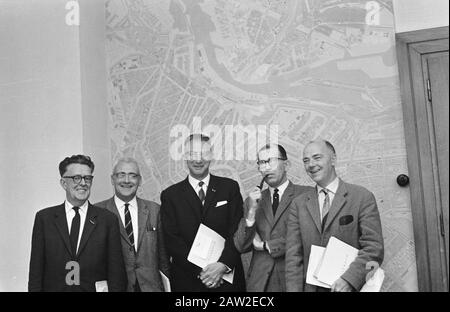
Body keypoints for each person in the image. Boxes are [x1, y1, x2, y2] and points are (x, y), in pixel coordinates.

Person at [285, 140, 384, 292]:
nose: (311, 164)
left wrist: (350, 280)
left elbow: (373, 248)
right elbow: (293, 257)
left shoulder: (362, 197)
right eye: (306, 160)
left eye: (317, 158)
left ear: (333, 159)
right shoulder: (298, 204)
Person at [28, 155, 127, 291]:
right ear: (63, 183)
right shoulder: (44, 219)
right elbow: (36, 273)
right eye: (76, 178)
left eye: (87, 178)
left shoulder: (107, 220)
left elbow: (116, 273)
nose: (83, 183)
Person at [160, 134, 245, 291]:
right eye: (192, 154)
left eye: (204, 153)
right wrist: (206, 274)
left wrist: (222, 266)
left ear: (211, 155)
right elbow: (172, 240)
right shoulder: (170, 195)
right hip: (188, 281)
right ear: (185, 156)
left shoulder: (229, 188)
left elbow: (237, 232)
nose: (198, 160)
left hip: (226, 279)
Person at [234, 144, 312, 292]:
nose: (266, 167)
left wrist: (266, 245)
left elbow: (308, 238)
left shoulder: (307, 195)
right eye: (262, 163)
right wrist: (251, 212)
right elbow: (241, 246)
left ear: (286, 164)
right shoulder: (251, 202)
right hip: (259, 284)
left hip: (296, 281)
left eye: (271, 161)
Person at [95, 157, 170, 292]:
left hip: (151, 287)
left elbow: (163, 257)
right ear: (112, 179)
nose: (127, 180)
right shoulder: (98, 212)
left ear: (140, 180)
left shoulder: (154, 210)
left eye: (133, 176)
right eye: (121, 175)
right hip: (115, 288)